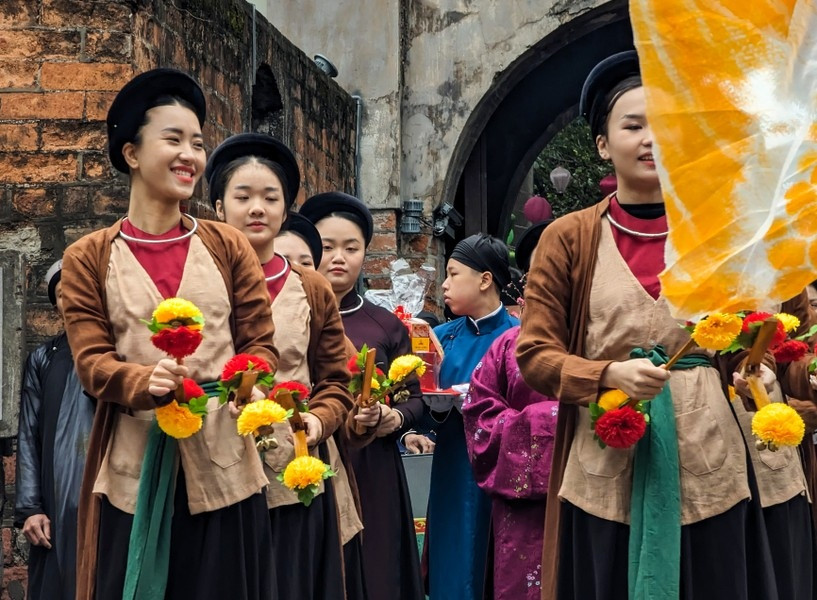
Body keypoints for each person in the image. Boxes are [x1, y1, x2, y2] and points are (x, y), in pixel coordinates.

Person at [516, 51, 782, 600]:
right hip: (610, 455)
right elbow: (536, 355)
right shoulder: (568, 238)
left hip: (711, 454)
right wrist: (608, 372)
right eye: (634, 126)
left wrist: (758, 371)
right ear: (602, 145)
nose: (650, 140)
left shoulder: (717, 236)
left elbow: (744, 338)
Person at [61, 69, 278, 600]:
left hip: (225, 463)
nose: (190, 155)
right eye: (173, 139)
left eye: (198, 144)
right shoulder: (89, 257)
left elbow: (260, 344)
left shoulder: (227, 246)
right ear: (132, 153)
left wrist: (248, 385)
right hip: (134, 468)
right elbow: (92, 364)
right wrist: (142, 379)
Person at [206, 132, 363, 599]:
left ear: (285, 210)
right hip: (212, 465)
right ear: (218, 208)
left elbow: (337, 379)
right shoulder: (199, 278)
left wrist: (318, 420)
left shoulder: (310, 287)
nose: (257, 208)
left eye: (270, 198)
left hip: (292, 465)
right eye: (243, 196)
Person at [300, 191, 426, 600]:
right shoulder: (289, 315)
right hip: (307, 456)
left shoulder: (385, 325)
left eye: (351, 248)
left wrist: (396, 419)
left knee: (375, 569)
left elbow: (414, 397)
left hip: (372, 463)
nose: (339, 257)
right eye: (328, 246)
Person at [462, 223, 558, 600]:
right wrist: (554, 422)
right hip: (522, 513)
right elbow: (479, 419)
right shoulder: (506, 346)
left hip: (596, 492)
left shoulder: (608, 341)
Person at [424, 233, 518, 599]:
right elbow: (422, 407)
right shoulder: (439, 338)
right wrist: (433, 407)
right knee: (453, 552)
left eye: (453, 273)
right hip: (451, 460)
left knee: (495, 557)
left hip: (501, 467)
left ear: (484, 280)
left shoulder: (519, 337)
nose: (445, 284)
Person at [15, 260, 95, 600]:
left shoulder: (120, 355)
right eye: (63, 295)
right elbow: (28, 435)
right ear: (56, 305)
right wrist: (31, 508)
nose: (72, 301)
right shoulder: (44, 359)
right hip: (56, 498)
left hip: (111, 493)